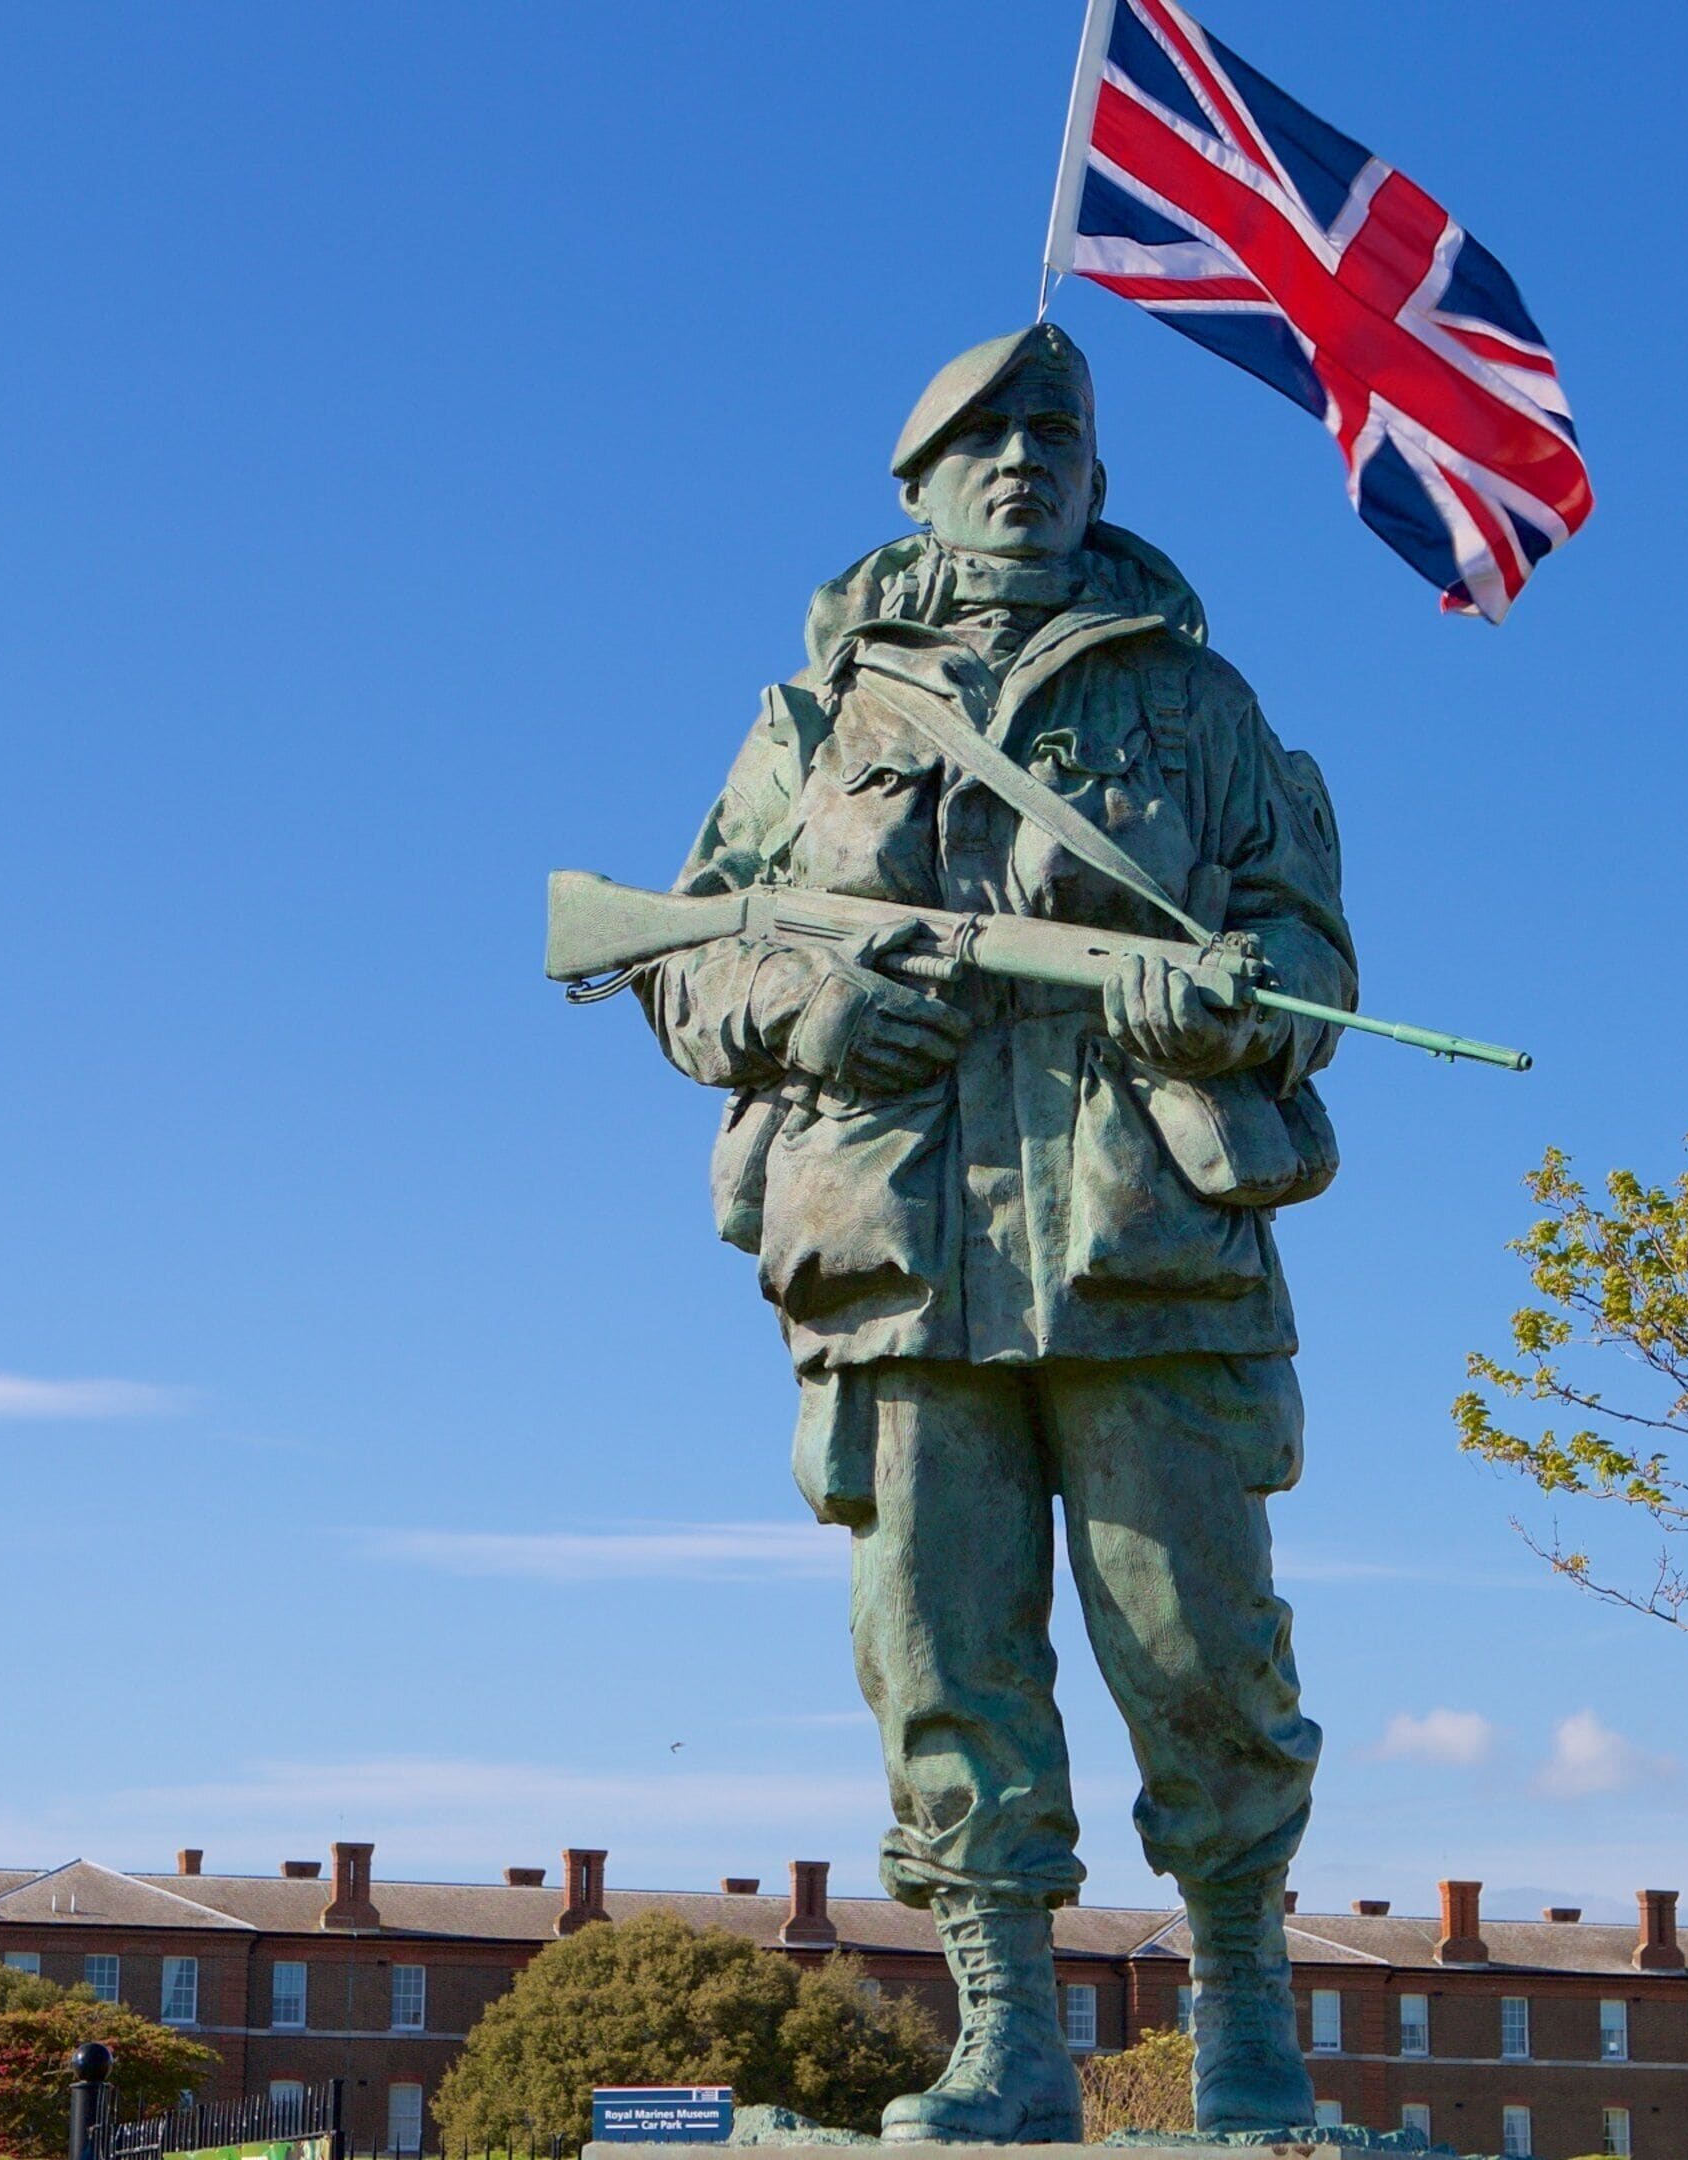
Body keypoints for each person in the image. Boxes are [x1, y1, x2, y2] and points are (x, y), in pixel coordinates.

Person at [628, 324, 1350, 2141]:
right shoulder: (814, 724)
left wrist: (1240, 1006)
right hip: (896, 1257)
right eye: (984, 436)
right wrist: (811, 1017)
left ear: (1102, 481)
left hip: (1149, 1246)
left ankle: (1246, 2018)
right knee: (941, 1659)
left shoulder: (1204, 709)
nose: (1025, 459)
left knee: (1202, 1654)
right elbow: (679, 951)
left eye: (1060, 434)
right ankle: (1006, 2032)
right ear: (920, 487)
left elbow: (1313, 957)